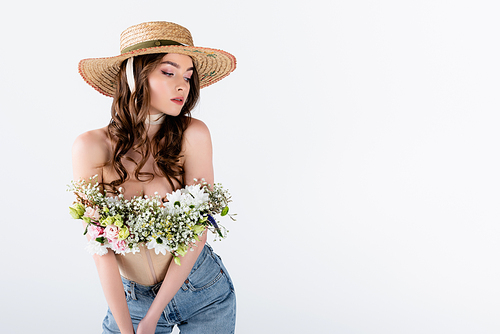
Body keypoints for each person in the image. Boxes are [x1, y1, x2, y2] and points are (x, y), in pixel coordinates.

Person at [72, 21, 237, 334]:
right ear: (136, 75)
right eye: (168, 71)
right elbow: (100, 247)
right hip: (131, 300)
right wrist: (127, 326)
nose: (183, 86)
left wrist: (153, 317)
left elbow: (196, 233)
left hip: (204, 291)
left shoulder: (194, 135)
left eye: (188, 76)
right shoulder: (90, 147)